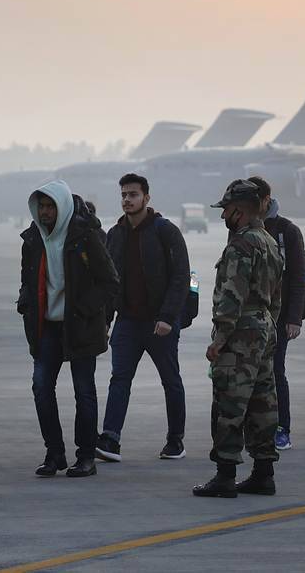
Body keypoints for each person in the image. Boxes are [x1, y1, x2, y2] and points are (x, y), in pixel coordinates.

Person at [19, 180, 119, 478]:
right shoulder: (33, 239)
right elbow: (27, 279)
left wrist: (84, 310)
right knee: (40, 387)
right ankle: (54, 454)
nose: (45, 212)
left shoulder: (84, 237)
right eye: (41, 207)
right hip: (46, 325)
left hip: (80, 326)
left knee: (83, 391)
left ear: (62, 207)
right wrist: (26, 302)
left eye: (50, 206)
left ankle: (86, 457)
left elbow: (110, 281)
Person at [194, 179, 282, 498]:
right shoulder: (269, 241)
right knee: (263, 401)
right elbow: (276, 294)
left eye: (227, 210)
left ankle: (225, 475)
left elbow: (231, 295)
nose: (223, 216)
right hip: (264, 327)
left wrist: (220, 337)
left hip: (242, 331)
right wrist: (269, 323)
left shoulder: (241, 244)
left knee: (229, 401)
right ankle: (263, 472)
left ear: (239, 210)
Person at [96, 173, 190, 462]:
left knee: (170, 380)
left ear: (146, 198)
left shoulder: (166, 231)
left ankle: (175, 441)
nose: (127, 199)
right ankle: (110, 439)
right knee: (119, 379)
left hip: (159, 322)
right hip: (127, 322)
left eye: (133, 194)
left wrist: (168, 316)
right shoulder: (116, 233)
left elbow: (181, 276)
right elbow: (110, 281)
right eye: (124, 194)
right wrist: (106, 319)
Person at [247, 176, 305, 452]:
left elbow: (298, 278)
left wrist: (295, 318)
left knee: (275, 372)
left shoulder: (286, 231)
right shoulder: (240, 228)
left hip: (279, 319)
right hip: (247, 317)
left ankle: (282, 428)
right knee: (249, 374)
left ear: (266, 201)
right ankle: (255, 428)